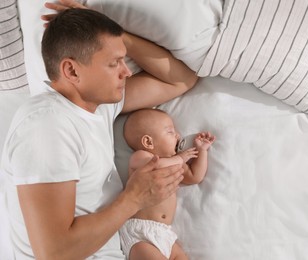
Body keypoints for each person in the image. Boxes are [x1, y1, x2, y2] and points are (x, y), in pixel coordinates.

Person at [1, 1, 198, 259]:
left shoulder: (99, 107)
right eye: (114, 63)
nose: (127, 71)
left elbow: (181, 79)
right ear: (71, 70)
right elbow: (54, 253)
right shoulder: (46, 126)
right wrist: (134, 198)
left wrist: (117, 35)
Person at [119, 108, 216, 260]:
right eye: (170, 132)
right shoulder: (140, 157)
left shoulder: (174, 161)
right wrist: (180, 159)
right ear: (148, 142)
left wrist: (202, 150)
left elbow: (194, 176)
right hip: (140, 234)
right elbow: (156, 165)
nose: (177, 135)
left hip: (165, 234)